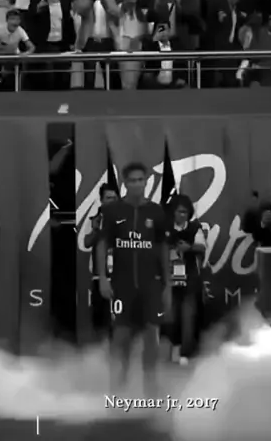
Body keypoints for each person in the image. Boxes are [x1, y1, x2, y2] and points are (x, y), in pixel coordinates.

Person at [96, 162, 171, 397]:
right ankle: (118, 390)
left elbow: (163, 248)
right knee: (121, 335)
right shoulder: (112, 211)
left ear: (147, 182)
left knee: (151, 335)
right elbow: (101, 245)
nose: (137, 184)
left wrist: (168, 284)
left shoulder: (156, 212)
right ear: (125, 183)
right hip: (122, 284)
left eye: (141, 180)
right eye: (133, 180)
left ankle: (151, 390)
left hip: (150, 284)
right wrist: (103, 278)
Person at [165, 194, 207, 365]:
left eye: (185, 212)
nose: (182, 215)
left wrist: (189, 248)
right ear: (173, 212)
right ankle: (172, 351)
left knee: (189, 316)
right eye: (179, 211)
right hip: (169, 278)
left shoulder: (195, 227)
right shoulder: (165, 228)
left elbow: (202, 246)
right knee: (171, 317)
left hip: (190, 279)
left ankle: (187, 353)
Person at [84, 183, 119, 341]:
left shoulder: (126, 218)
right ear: (101, 200)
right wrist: (95, 229)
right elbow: (87, 242)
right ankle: (100, 351)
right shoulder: (94, 219)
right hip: (99, 278)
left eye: (114, 198)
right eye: (108, 198)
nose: (112, 201)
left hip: (120, 277)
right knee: (100, 321)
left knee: (119, 321)